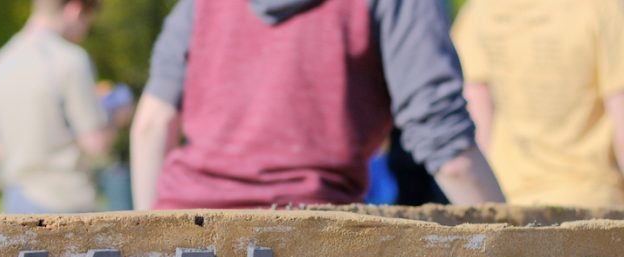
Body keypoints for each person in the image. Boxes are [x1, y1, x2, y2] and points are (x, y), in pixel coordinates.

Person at [131, 0, 504, 210]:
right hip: (308, 252)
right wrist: (521, 256)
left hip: (185, 233)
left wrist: (149, 239)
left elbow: (153, 122)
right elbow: (451, 154)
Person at [452, 0, 624, 207]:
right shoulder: (605, 8)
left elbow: (477, 131)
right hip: (594, 204)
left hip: (510, 203)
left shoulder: (480, 10)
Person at [0, 0, 123, 214]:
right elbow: (95, 143)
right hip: (66, 204)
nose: (86, 29)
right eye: (88, 19)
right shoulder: (71, 60)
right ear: (75, 10)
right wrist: (118, 115)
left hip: (15, 202)